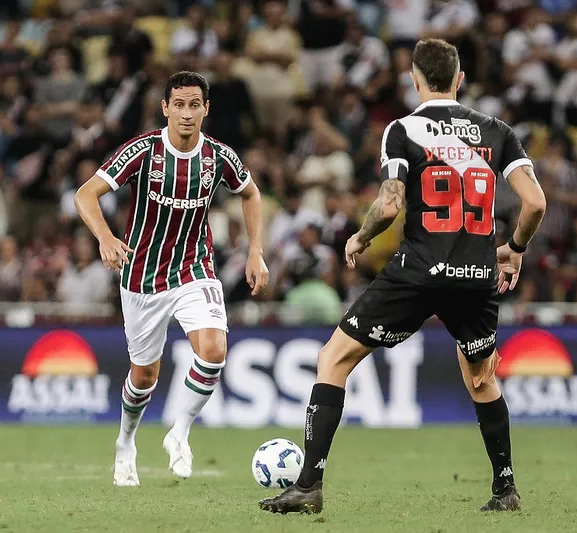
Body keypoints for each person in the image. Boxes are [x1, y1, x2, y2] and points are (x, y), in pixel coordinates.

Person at [259, 39, 546, 514]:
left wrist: (361, 236)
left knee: (333, 359)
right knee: (480, 380)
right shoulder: (498, 132)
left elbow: (390, 204)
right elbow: (535, 203)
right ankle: (505, 488)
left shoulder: (403, 129)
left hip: (418, 272)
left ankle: (308, 487)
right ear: (459, 80)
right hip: (476, 275)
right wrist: (513, 251)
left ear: (414, 80)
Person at [74, 71, 269, 487]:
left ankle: (179, 432)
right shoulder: (143, 152)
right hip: (141, 277)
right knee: (144, 376)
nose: (186, 113)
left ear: (205, 109)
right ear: (165, 108)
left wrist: (255, 250)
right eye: (177, 105)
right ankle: (125, 443)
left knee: (214, 350)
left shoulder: (219, 156)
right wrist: (106, 238)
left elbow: (250, 192)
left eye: (194, 105)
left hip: (193, 269)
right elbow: (85, 194)